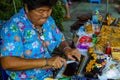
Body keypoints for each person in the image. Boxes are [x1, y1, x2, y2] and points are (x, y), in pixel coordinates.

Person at [0, 0, 81, 80]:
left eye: (49, 10)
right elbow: (7, 63)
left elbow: (59, 38)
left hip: (48, 75)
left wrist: (66, 49)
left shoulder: (48, 20)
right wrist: (46, 61)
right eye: (41, 11)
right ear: (27, 8)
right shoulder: (13, 27)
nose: (46, 15)